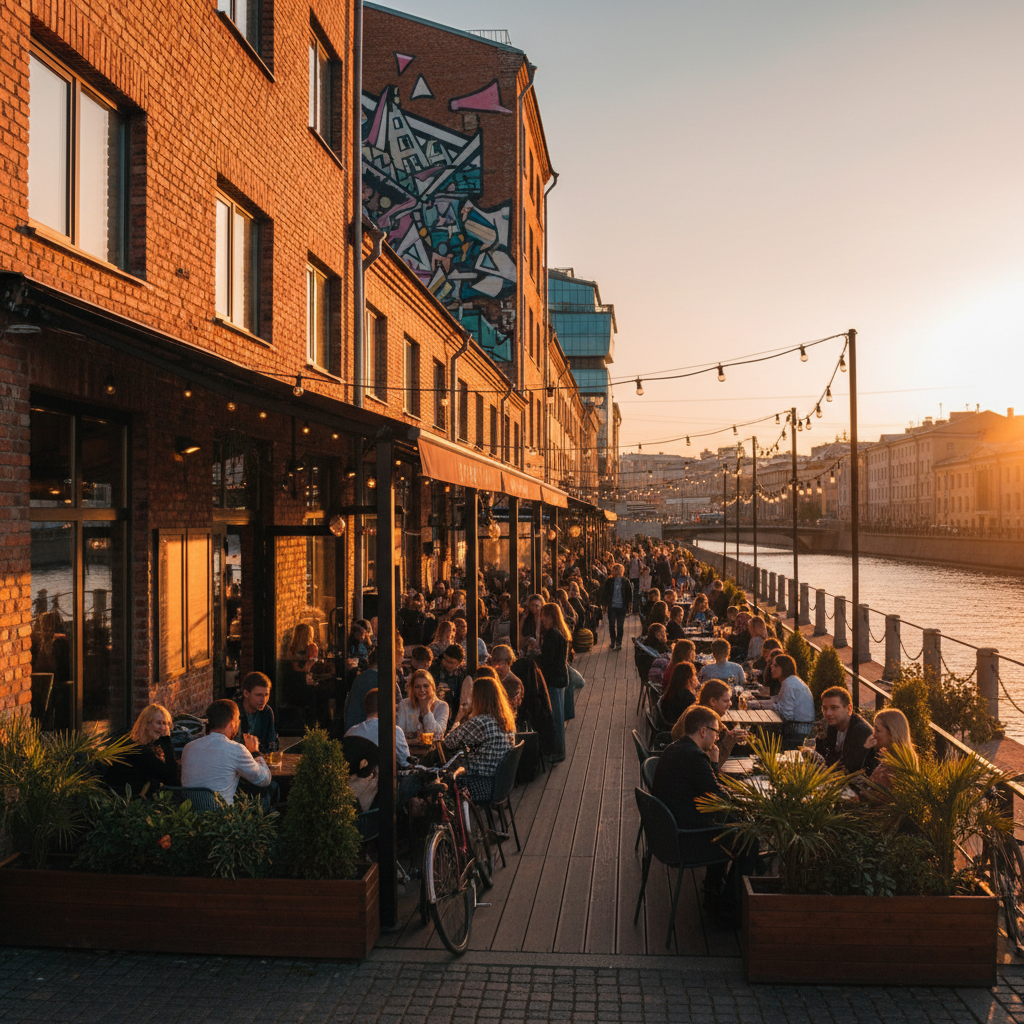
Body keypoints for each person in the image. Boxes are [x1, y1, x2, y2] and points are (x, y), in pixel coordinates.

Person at [651, 705, 730, 898]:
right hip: (686, 838)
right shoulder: (695, 757)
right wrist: (714, 764)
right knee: (742, 838)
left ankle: (714, 886)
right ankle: (727, 902)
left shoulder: (675, 748)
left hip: (665, 833)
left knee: (731, 826)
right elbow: (720, 798)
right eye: (716, 733)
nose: (717, 738)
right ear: (703, 731)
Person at [442, 668, 516, 802]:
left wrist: (461, 714)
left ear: (478, 697)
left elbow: (448, 742)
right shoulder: (506, 719)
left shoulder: (480, 722)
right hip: (499, 783)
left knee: (442, 782)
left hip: (479, 784)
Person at [181, 699, 271, 805]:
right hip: (221, 816)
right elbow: (264, 779)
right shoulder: (236, 750)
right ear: (232, 723)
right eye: (238, 720)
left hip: (190, 816)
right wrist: (255, 752)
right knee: (268, 792)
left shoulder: (188, 748)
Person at [104, 703, 180, 796]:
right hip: (128, 800)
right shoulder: (140, 751)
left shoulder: (141, 744)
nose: (163, 728)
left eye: (165, 723)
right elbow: (172, 779)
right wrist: (166, 741)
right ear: (147, 725)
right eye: (158, 723)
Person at [535, 601, 572, 762]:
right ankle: (559, 751)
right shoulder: (561, 632)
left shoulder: (551, 634)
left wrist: (535, 656)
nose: (541, 618)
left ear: (549, 616)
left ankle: (557, 753)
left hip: (553, 678)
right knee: (559, 715)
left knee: (555, 717)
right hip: (561, 676)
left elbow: (547, 659)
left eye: (543, 615)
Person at [748, 655, 814, 735]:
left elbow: (786, 715)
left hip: (797, 730)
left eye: (775, 665)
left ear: (785, 667)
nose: (771, 667)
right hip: (802, 726)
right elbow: (776, 700)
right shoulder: (791, 680)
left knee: (760, 722)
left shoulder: (789, 684)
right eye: (772, 665)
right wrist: (756, 703)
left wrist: (758, 706)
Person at [816, 686, 876, 773]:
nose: (828, 713)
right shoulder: (832, 724)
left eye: (834, 708)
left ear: (849, 709)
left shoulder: (861, 731)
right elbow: (822, 756)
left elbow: (850, 766)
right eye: (825, 708)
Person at [345, 688, 411, 767]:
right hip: (387, 778)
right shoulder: (394, 731)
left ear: (366, 707)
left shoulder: (351, 732)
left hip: (358, 778)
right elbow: (406, 763)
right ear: (387, 707)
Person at [864, 708, 916, 794]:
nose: (874, 735)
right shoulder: (889, 756)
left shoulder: (898, 765)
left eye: (878, 730)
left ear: (891, 734)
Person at [396, 669, 450, 740]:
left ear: (432, 687)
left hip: (433, 749)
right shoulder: (404, 704)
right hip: (409, 748)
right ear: (412, 688)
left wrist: (427, 710)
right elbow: (398, 734)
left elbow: (438, 735)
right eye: (417, 687)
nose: (422, 690)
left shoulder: (442, 706)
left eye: (426, 686)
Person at [233, 671, 278, 754]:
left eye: (266, 695)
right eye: (258, 695)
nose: (263, 700)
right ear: (246, 693)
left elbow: (272, 741)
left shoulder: (267, 711)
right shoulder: (233, 711)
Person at [284, 622, 319, 726]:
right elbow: (307, 667)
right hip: (305, 681)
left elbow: (295, 667)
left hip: (294, 681)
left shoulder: (292, 648)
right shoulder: (311, 647)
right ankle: (313, 722)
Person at [658, 659, 700, 730]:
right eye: (694, 675)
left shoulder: (671, 690)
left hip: (667, 725)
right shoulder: (687, 697)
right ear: (689, 678)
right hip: (677, 729)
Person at [600, 563, 631, 651]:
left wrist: (629, 605)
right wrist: (605, 605)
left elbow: (629, 594)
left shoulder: (625, 581)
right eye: (614, 569)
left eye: (617, 569)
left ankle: (619, 642)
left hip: (622, 606)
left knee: (620, 625)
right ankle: (613, 640)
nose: (615, 571)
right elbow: (605, 593)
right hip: (612, 606)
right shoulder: (609, 581)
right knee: (612, 624)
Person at [487, 644, 524, 714]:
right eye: (493, 660)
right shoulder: (493, 677)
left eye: (499, 662)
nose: (495, 666)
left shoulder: (514, 683)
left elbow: (510, 706)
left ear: (508, 663)